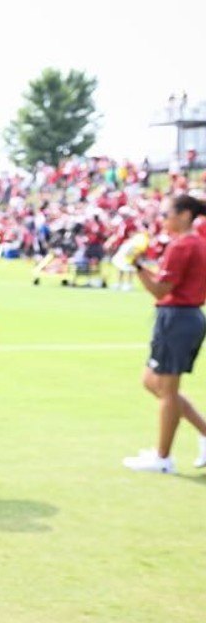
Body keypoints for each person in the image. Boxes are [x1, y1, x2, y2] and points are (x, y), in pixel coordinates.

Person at [122, 193, 206, 473]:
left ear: (183, 215)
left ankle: (163, 458)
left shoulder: (183, 245)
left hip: (178, 318)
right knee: (152, 381)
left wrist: (135, 265)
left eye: (166, 214)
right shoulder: (191, 243)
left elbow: (160, 289)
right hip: (182, 317)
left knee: (168, 391)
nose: (163, 219)